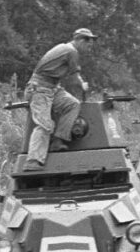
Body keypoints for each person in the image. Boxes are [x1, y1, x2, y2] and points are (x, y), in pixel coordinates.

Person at [22, 28, 98, 171]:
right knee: (45, 125)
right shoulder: (71, 51)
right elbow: (75, 78)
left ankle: (58, 140)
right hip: (39, 89)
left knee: (72, 104)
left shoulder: (67, 50)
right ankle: (33, 161)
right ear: (81, 40)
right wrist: (83, 85)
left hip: (52, 87)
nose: (89, 48)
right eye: (88, 45)